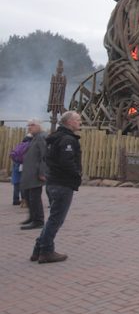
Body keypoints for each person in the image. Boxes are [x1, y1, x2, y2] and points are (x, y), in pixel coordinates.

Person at [32, 111, 83, 264]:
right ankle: (46, 251)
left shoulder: (54, 138)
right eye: (78, 120)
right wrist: (77, 175)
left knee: (53, 218)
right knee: (56, 219)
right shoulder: (67, 139)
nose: (80, 122)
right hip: (62, 183)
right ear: (70, 122)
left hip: (52, 181)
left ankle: (38, 249)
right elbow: (67, 162)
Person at [20, 119, 48, 230]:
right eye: (28, 125)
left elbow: (44, 156)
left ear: (38, 126)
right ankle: (32, 217)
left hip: (36, 173)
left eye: (32, 125)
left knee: (34, 198)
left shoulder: (41, 137)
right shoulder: (34, 137)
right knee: (28, 196)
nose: (29, 127)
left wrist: (42, 172)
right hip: (30, 173)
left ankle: (38, 220)